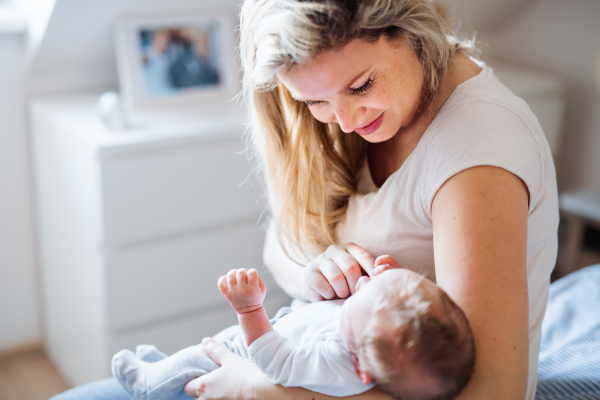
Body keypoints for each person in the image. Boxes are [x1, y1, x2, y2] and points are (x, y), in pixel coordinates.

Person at [50, 0, 558, 399]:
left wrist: (266, 391)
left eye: (361, 85)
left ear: (409, 31)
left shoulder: (476, 154)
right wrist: (321, 267)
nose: (346, 118)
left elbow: (493, 391)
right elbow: (280, 247)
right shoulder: (364, 110)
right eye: (313, 101)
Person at [111, 264, 475, 400]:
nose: (363, 283)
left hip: (243, 353)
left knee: (193, 361)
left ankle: (146, 383)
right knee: (188, 357)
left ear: (362, 368)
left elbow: (277, 363)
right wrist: (387, 280)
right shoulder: (371, 342)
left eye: (360, 295)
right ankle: (163, 369)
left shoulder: (339, 367)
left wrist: (250, 309)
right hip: (284, 327)